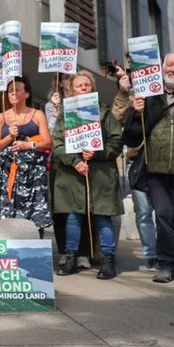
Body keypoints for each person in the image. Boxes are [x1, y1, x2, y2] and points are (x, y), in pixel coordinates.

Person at [124, 51, 174, 284]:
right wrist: (136, 114)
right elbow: (131, 138)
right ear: (162, 69)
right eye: (170, 64)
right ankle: (166, 264)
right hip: (156, 170)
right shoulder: (149, 97)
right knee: (163, 218)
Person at [52, 71, 123, 279]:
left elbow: (116, 141)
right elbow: (58, 144)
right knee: (73, 217)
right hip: (73, 175)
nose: (83, 88)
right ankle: (71, 257)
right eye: (79, 85)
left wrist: (97, 153)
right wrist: (75, 162)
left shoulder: (105, 113)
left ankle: (108, 260)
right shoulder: (65, 116)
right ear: (71, 90)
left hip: (100, 174)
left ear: (93, 88)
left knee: (102, 217)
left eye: (87, 85)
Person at [0, 76, 52, 234]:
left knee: (34, 220)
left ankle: (34, 248)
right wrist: (9, 137)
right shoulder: (0, 117)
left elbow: (47, 142)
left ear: (27, 94)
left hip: (33, 176)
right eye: (10, 91)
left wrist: (29, 145)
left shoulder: (37, 115)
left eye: (17, 90)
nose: (13, 93)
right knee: (6, 220)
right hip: (6, 176)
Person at [112, 66, 159, 272]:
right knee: (144, 212)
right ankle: (152, 255)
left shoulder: (164, 94)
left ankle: (171, 254)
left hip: (163, 161)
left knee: (167, 213)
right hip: (137, 162)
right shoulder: (133, 97)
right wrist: (124, 94)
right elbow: (116, 118)